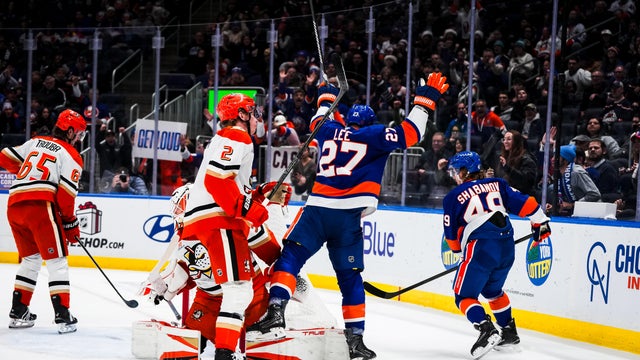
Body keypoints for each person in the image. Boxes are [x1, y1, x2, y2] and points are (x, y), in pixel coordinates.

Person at [249, 72, 450, 360]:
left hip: (317, 211)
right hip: (348, 219)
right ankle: (355, 342)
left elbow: (319, 118)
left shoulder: (328, 130)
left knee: (289, 259)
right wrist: (424, 101)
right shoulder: (375, 134)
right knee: (350, 279)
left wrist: (326, 94)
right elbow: (411, 134)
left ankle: (276, 312)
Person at [179, 93, 269, 360]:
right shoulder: (237, 136)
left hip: (208, 219)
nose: (255, 118)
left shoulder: (223, 138)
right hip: (218, 220)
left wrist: (258, 195)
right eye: (251, 112)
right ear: (241, 115)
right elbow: (218, 182)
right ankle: (224, 352)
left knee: (232, 289)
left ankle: (215, 345)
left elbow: (229, 183)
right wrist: (250, 210)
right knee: (239, 288)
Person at [443, 150, 551, 359]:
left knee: (464, 295)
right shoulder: (498, 184)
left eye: (456, 171)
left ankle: (486, 328)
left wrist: (459, 254)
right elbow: (527, 203)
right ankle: (509, 333)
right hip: (506, 246)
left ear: (466, 171)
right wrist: (541, 222)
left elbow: (451, 239)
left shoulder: (452, 197)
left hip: (480, 247)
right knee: (493, 290)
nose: (455, 176)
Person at [0, 108, 86, 334]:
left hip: (14, 205)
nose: (79, 138)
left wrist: (28, 173)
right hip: (40, 207)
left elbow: (4, 157)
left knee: (30, 259)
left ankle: (18, 312)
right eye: (78, 133)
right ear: (69, 131)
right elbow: (66, 197)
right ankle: (63, 316)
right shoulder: (72, 156)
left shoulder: (35, 142)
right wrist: (70, 223)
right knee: (57, 261)